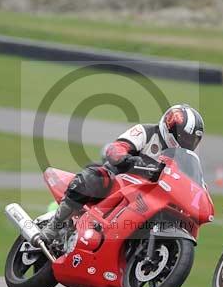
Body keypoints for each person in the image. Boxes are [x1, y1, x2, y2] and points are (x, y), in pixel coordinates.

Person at [39, 104, 204, 245]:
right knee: (96, 177)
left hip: (150, 197)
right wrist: (129, 159)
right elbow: (115, 148)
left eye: (192, 141)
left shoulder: (182, 158)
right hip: (120, 182)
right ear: (171, 128)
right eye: (185, 138)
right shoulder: (146, 132)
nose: (188, 144)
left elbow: (189, 181)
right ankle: (55, 226)